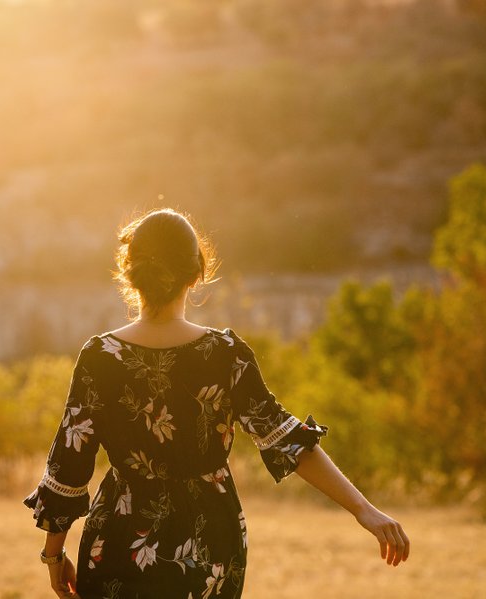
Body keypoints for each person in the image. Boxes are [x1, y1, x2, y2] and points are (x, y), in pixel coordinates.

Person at [24, 208, 409, 599]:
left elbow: (69, 464)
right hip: (210, 542)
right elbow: (286, 441)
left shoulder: (100, 357)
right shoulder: (225, 354)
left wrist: (54, 556)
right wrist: (364, 510)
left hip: (119, 540)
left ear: (129, 271)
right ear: (197, 274)